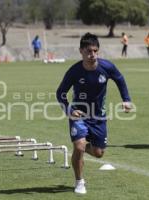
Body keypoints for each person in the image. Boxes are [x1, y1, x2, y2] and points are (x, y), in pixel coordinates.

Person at [56, 33, 132, 194]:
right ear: (81, 51)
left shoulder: (107, 67)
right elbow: (61, 92)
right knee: (79, 145)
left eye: (95, 51)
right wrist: (68, 109)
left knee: (99, 153)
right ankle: (79, 182)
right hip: (79, 115)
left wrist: (126, 99)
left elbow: (119, 79)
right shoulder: (74, 71)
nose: (92, 55)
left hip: (99, 117)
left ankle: (83, 148)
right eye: (89, 51)